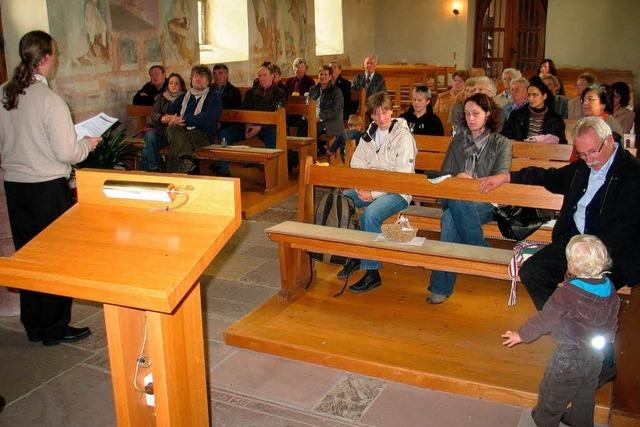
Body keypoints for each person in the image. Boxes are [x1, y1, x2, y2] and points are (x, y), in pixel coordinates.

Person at [0, 30, 101, 346]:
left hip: (15, 188)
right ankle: (55, 328)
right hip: (46, 189)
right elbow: (66, 153)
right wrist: (88, 144)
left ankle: (34, 325)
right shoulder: (50, 100)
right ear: (46, 59)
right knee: (57, 259)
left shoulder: (3, 94)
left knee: (28, 256)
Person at [479, 116, 640, 311]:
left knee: (585, 292)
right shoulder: (582, 168)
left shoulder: (632, 174)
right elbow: (548, 176)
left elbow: (625, 232)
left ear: (608, 141)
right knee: (533, 271)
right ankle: (565, 327)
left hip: (611, 253)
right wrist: (506, 177)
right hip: (574, 243)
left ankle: (582, 333)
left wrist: (586, 262)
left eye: (592, 152)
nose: (589, 160)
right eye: (582, 154)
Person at [502, 234, 619, 427]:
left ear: (571, 265)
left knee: (552, 394)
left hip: (568, 357)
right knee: (585, 395)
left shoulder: (566, 293)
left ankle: (543, 421)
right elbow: (613, 319)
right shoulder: (609, 288)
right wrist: (609, 338)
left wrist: (521, 334)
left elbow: (545, 319)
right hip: (595, 356)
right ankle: (579, 421)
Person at [427, 93, 511, 304]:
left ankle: (440, 287)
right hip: (455, 196)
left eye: (476, 113)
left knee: (449, 220)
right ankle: (479, 248)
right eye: (467, 114)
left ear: (488, 114)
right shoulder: (457, 141)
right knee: (455, 203)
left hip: (486, 200)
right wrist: (457, 178)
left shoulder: (501, 143)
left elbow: (499, 178)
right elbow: (444, 174)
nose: (471, 118)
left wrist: (471, 181)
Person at [338, 92, 416, 293]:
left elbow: (402, 176)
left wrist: (373, 194)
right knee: (343, 200)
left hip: (398, 192)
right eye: (376, 114)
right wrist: (361, 188)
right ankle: (356, 255)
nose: (381, 118)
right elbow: (357, 162)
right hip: (369, 188)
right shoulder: (369, 133)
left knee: (371, 214)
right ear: (371, 115)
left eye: (385, 112)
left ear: (392, 111)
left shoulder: (403, 137)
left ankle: (372, 272)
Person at [215, 63, 287, 176]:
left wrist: (260, 127)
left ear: (272, 76)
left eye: (264, 75)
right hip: (249, 126)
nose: (262, 78)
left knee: (274, 137)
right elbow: (244, 111)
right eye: (260, 75)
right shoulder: (251, 92)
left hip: (267, 127)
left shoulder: (279, 93)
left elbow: (279, 114)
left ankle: (272, 174)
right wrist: (247, 123)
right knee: (225, 133)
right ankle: (223, 170)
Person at [164, 65, 222, 173]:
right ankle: (187, 162)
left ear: (208, 81)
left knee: (176, 144)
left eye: (202, 77)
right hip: (183, 134)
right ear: (192, 79)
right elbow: (171, 112)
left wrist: (183, 119)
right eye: (195, 76)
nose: (198, 79)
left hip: (202, 135)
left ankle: (175, 173)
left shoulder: (213, 97)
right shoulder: (184, 97)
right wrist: (168, 117)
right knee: (172, 129)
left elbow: (206, 118)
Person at [141, 73, 186, 172]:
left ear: (181, 86)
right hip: (159, 132)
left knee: (145, 150)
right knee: (150, 136)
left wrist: (173, 119)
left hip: (173, 135)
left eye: (176, 83)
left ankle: (152, 172)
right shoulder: (162, 97)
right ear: (168, 85)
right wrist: (162, 117)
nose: (173, 85)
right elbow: (153, 114)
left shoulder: (186, 98)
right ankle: (156, 168)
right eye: (171, 83)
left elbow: (186, 116)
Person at [501, 76, 567, 144]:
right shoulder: (516, 115)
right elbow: (505, 136)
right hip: (519, 152)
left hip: (545, 153)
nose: (531, 98)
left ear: (544, 96)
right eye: (529, 95)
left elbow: (562, 143)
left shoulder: (555, 119)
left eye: (535, 95)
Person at [300, 65, 344, 139]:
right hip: (312, 117)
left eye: (325, 74)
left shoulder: (336, 91)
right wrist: (307, 115)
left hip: (328, 121)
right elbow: (307, 104)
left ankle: (315, 149)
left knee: (313, 129)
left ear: (330, 77)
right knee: (301, 125)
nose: (322, 76)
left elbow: (336, 110)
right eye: (321, 74)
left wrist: (320, 118)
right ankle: (300, 149)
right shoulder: (313, 89)